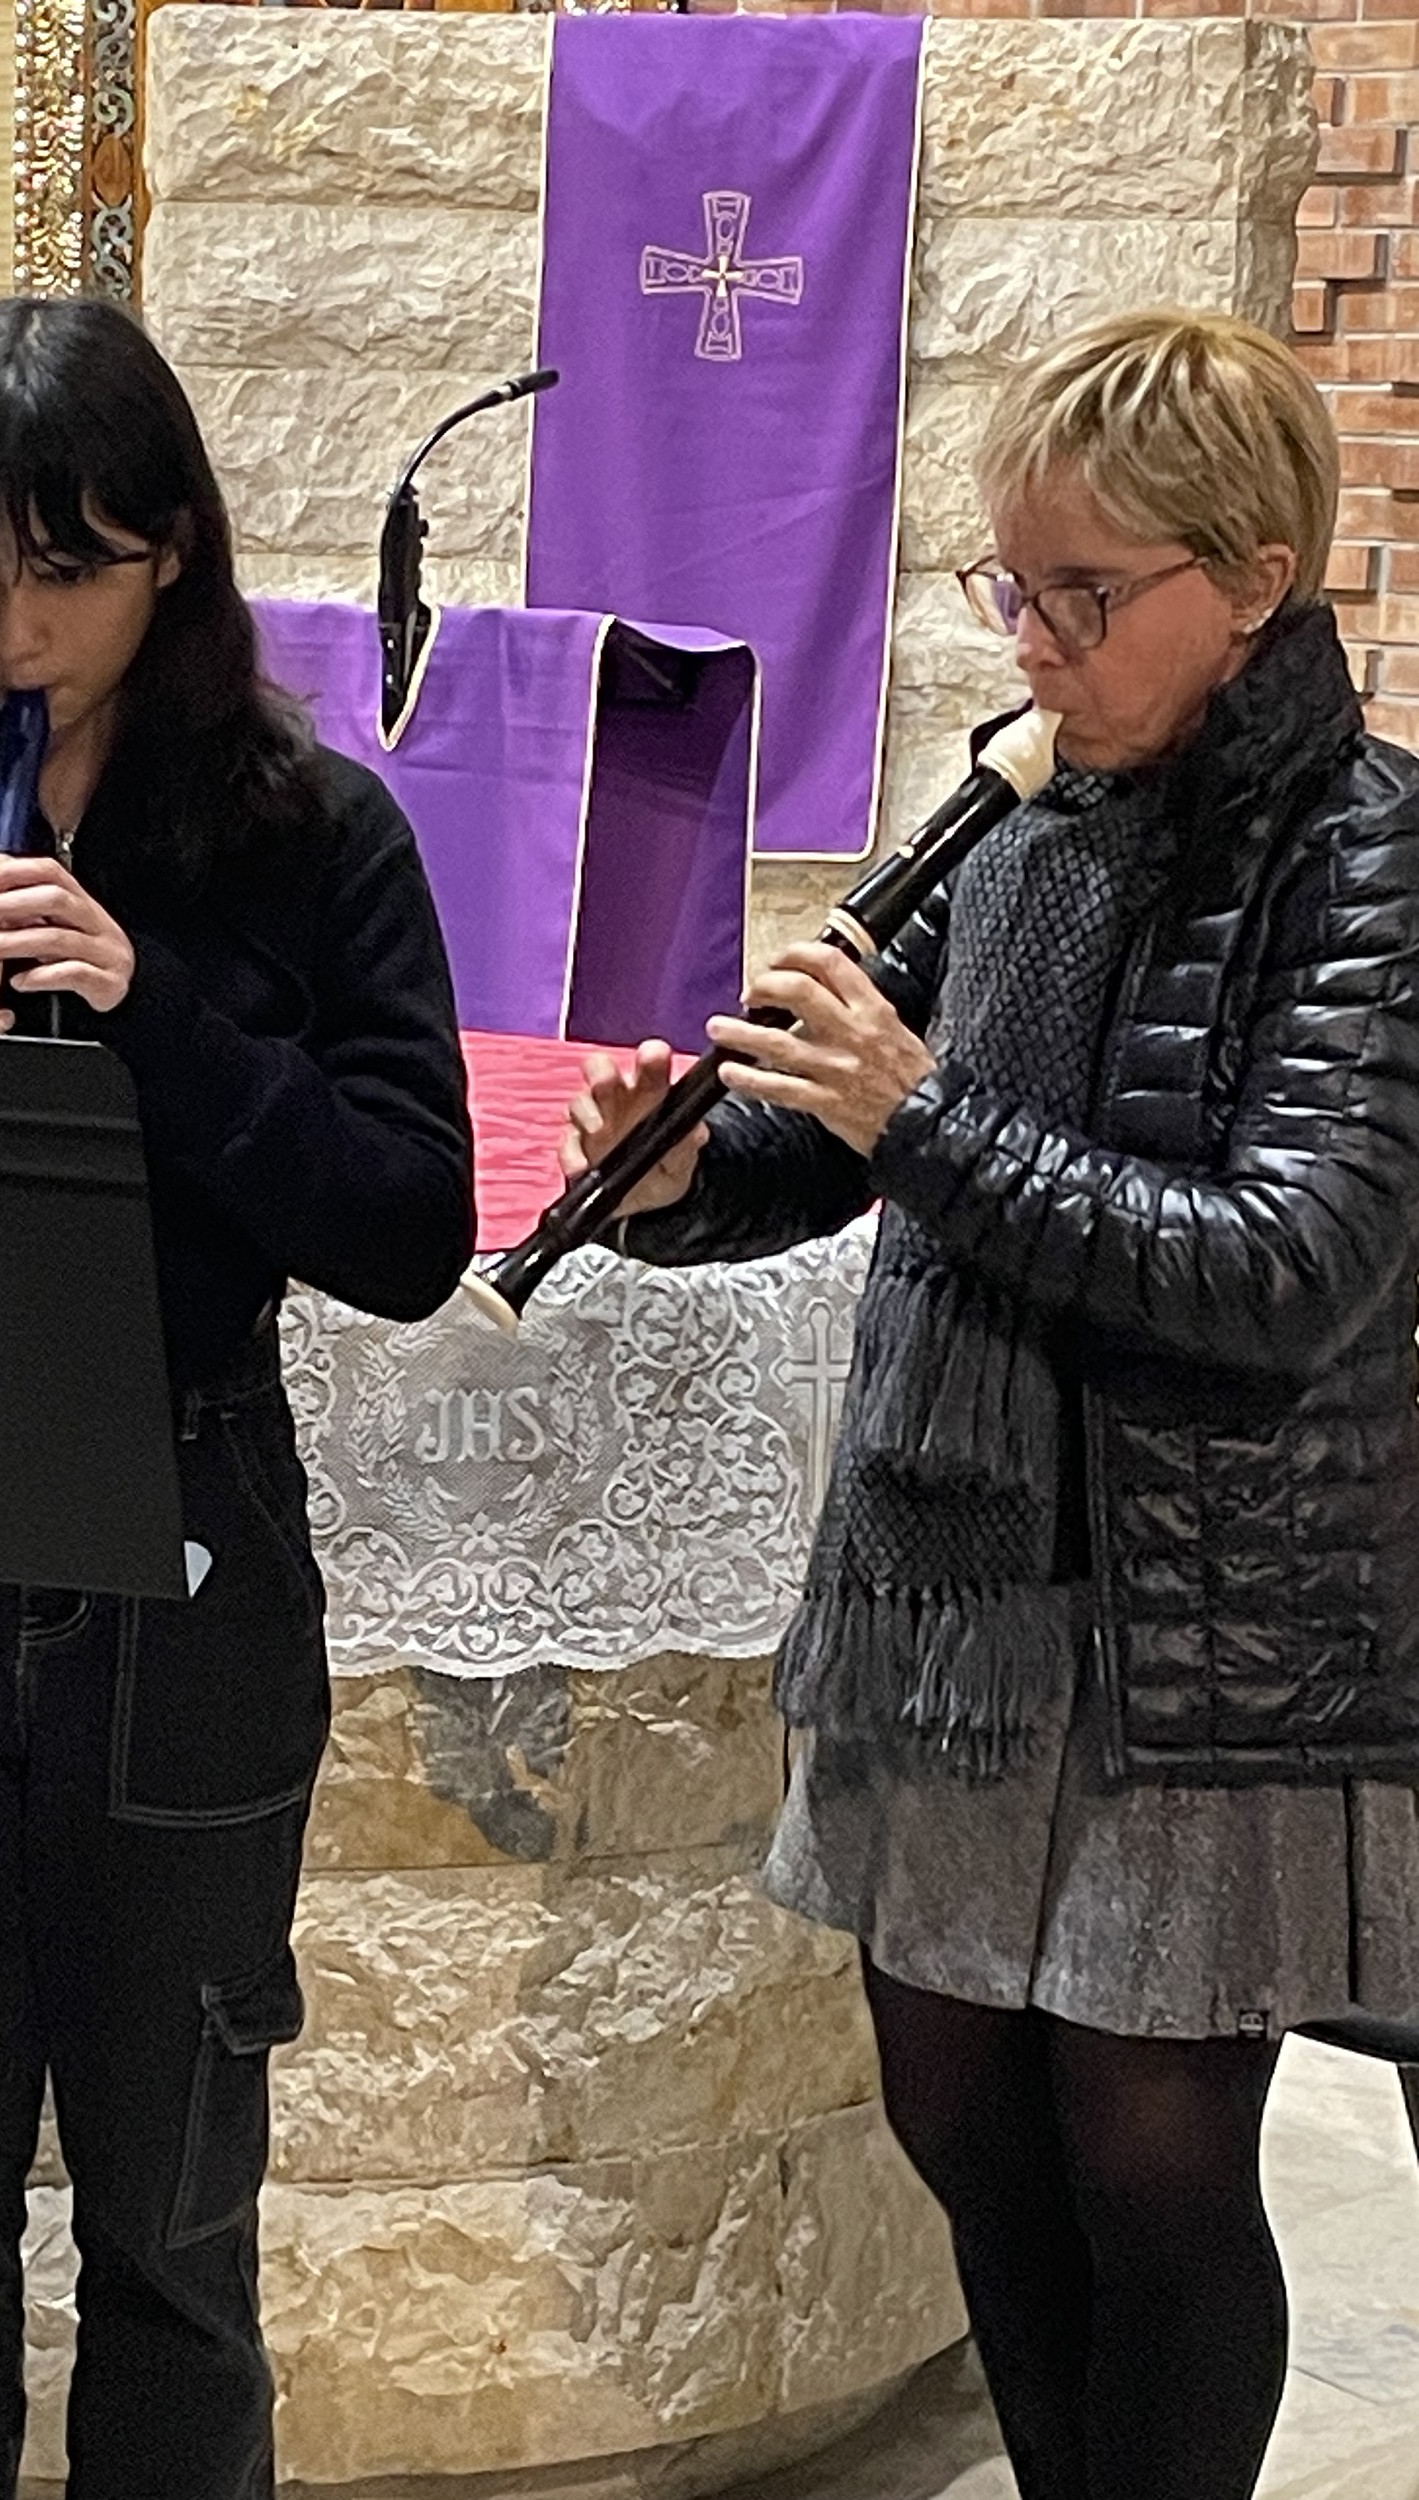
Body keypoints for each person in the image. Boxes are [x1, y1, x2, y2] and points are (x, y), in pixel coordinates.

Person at [564, 309, 1419, 2500]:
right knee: (958, 2119)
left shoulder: (1367, 855)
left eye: (1085, 595)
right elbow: (838, 1152)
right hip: (950, 1595)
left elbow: (1288, 1264)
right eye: (1008, 585)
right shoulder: (1021, 822)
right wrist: (681, 1172)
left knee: (1150, 2165)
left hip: (1196, 1616)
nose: (1030, 641)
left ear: (1254, 578)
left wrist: (919, 1114)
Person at [0, 295, 474, 2500]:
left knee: (173, 2244)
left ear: (175, 555)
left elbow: (407, 1226)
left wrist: (154, 1020)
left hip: (185, 1551)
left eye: (69, 570)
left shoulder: (308, 837)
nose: (13, 629)